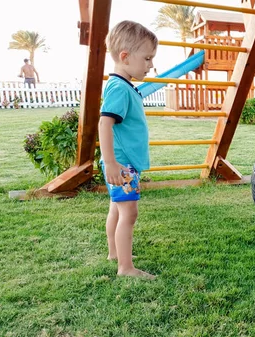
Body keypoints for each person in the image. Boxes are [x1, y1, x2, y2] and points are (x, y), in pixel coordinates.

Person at [98, 20, 158, 279]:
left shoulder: (121, 86)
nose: (150, 64)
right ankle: (126, 267)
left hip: (122, 163)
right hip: (122, 165)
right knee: (129, 213)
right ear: (124, 57)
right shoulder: (119, 88)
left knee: (117, 208)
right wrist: (110, 162)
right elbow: (105, 122)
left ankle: (114, 253)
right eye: (146, 58)